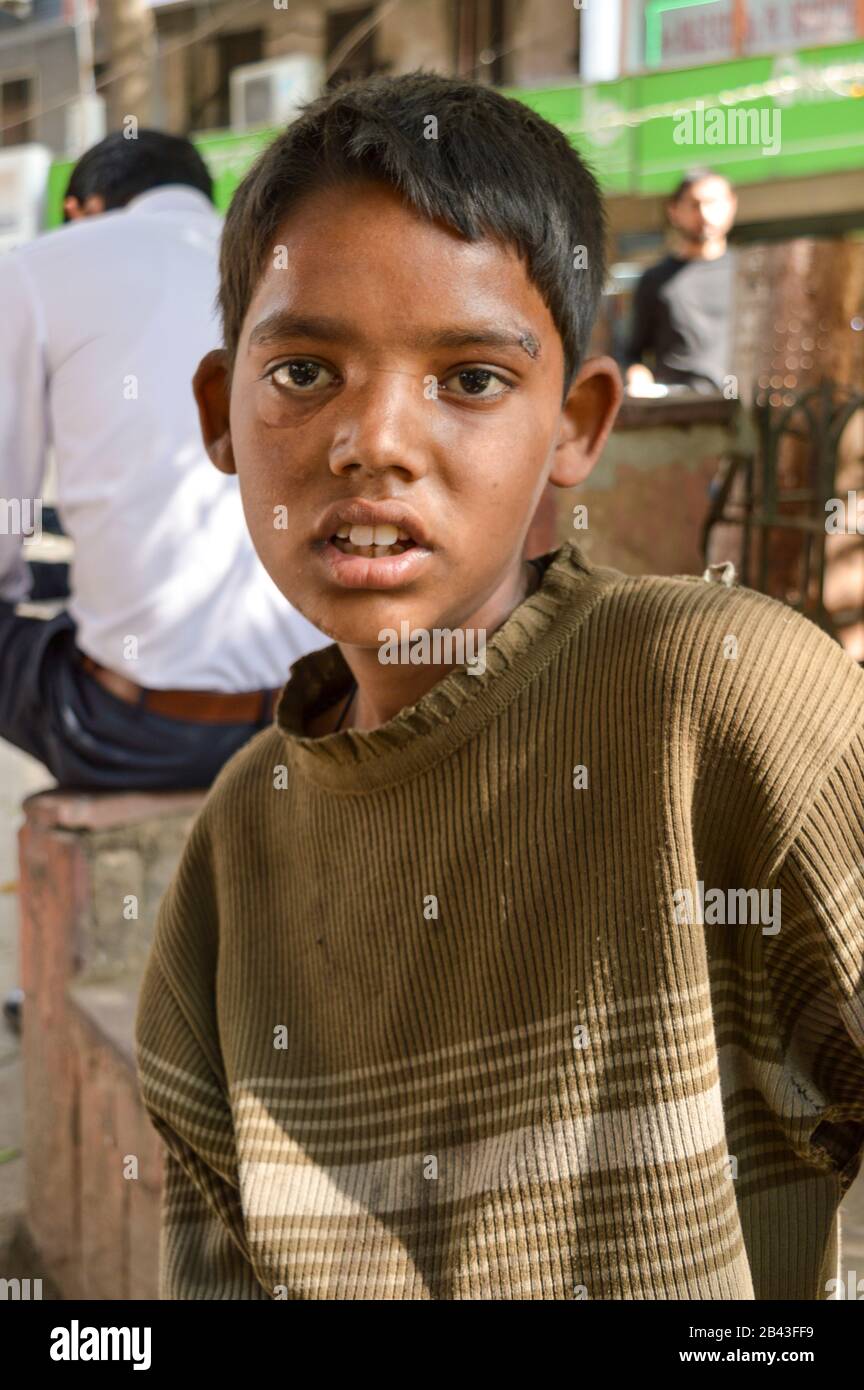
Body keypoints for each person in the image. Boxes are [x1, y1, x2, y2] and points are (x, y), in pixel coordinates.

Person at [135, 75, 864, 1301]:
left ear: (575, 425)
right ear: (222, 412)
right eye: (306, 371)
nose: (373, 440)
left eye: (470, 378)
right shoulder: (230, 861)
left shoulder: (719, 707)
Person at [0, 130, 328, 792]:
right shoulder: (296, 264)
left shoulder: (35, 268)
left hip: (136, 736)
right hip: (319, 715)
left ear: (84, 207)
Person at [624, 168, 737, 396]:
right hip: (677, 408)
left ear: (732, 205)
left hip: (742, 407)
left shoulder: (750, 273)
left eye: (713, 203)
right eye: (695, 205)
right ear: (674, 210)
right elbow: (631, 354)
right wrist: (638, 377)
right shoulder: (656, 280)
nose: (705, 214)